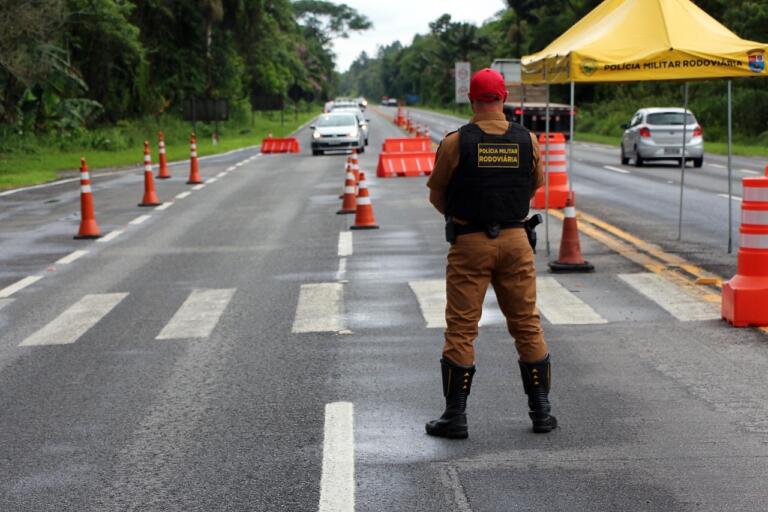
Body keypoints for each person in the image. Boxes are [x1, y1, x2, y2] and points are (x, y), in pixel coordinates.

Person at [425, 68, 557, 438]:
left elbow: (437, 195)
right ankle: (541, 412)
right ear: (504, 98)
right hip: (516, 241)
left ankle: (455, 417)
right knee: (527, 323)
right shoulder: (527, 140)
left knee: (462, 328)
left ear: (472, 99)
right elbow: (534, 187)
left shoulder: (456, 143)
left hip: (469, 242)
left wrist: (464, 218)